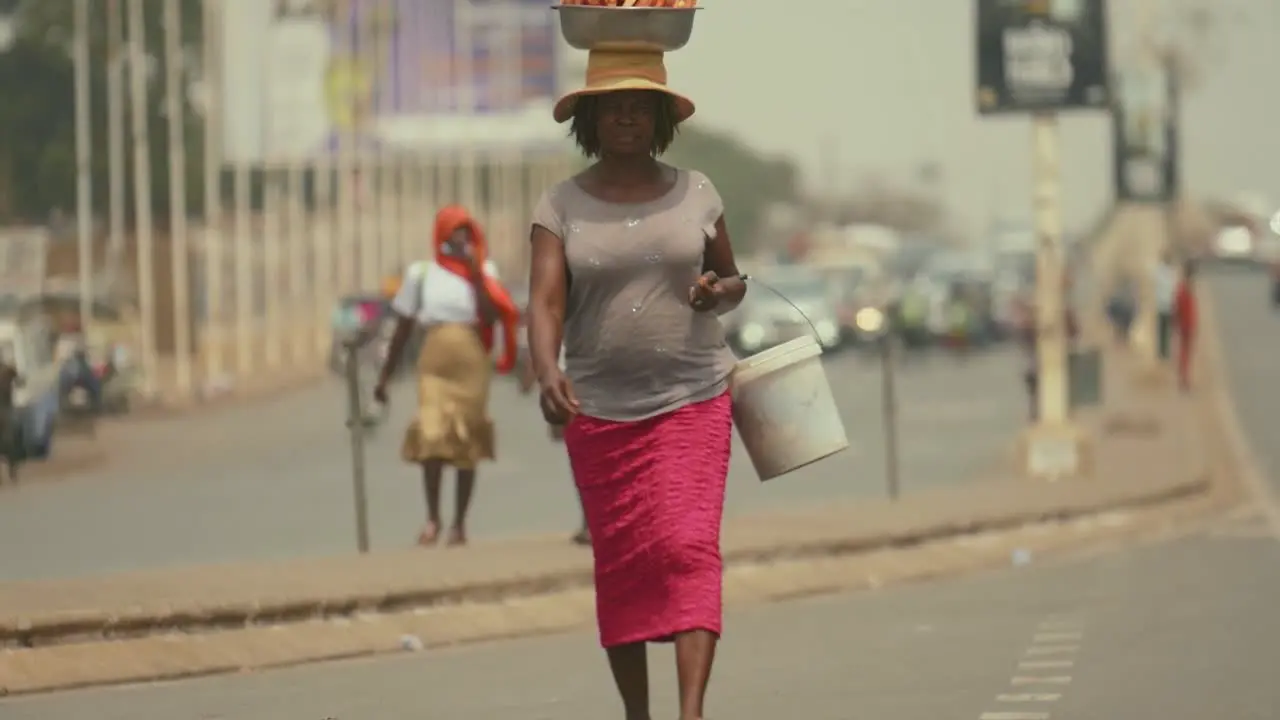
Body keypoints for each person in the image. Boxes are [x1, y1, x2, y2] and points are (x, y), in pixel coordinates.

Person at [526, 48, 746, 720]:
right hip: (600, 413)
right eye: (613, 104)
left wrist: (717, 294)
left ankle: (690, 712)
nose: (627, 114)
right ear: (590, 119)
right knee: (623, 566)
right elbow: (544, 302)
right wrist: (547, 370)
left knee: (686, 547)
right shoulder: (560, 204)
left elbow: (734, 281)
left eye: (639, 103)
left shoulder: (699, 192)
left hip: (695, 399)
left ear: (659, 117)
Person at [374, 206, 521, 547]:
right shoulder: (421, 274)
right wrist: (385, 377)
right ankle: (432, 518)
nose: (461, 239)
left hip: (471, 361)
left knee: (467, 439)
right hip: (434, 363)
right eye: (454, 232)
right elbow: (402, 327)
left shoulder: (484, 269)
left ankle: (459, 524)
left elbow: (490, 316)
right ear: (440, 235)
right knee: (431, 434)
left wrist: (474, 274)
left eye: (466, 233)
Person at [518, 342, 590, 545]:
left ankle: (591, 523)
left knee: (587, 455)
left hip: (586, 380)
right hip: (567, 381)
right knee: (581, 455)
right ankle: (589, 522)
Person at [1173, 259, 1198, 392]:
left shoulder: (1183, 287)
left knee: (1185, 353)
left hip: (1186, 323)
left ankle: (1184, 378)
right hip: (1186, 324)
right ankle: (1184, 379)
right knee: (1185, 353)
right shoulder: (1185, 289)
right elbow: (1179, 307)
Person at [1153, 251, 1177, 360]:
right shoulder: (1171, 273)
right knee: (1167, 331)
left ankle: (1161, 352)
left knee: (1161, 331)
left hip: (1161, 306)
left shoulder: (1159, 271)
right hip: (1168, 306)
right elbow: (1173, 290)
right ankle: (1165, 352)